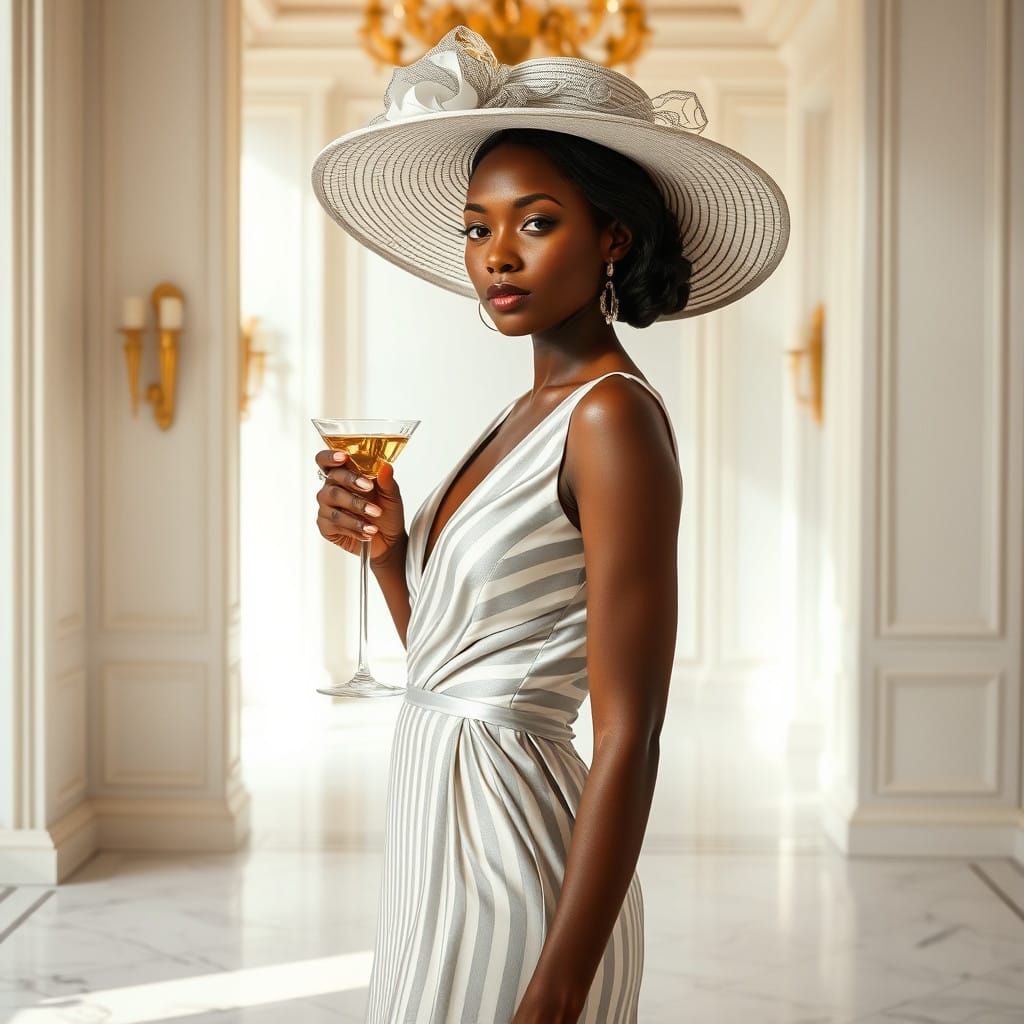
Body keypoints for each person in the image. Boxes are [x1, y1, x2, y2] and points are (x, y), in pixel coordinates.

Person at [311, 25, 789, 1023]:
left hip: (518, 863)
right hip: (432, 846)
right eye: (477, 227)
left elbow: (631, 733)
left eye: (535, 222)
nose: (497, 255)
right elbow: (456, 669)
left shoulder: (611, 418)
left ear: (610, 235)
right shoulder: (520, 413)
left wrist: (560, 985)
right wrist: (391, 553)